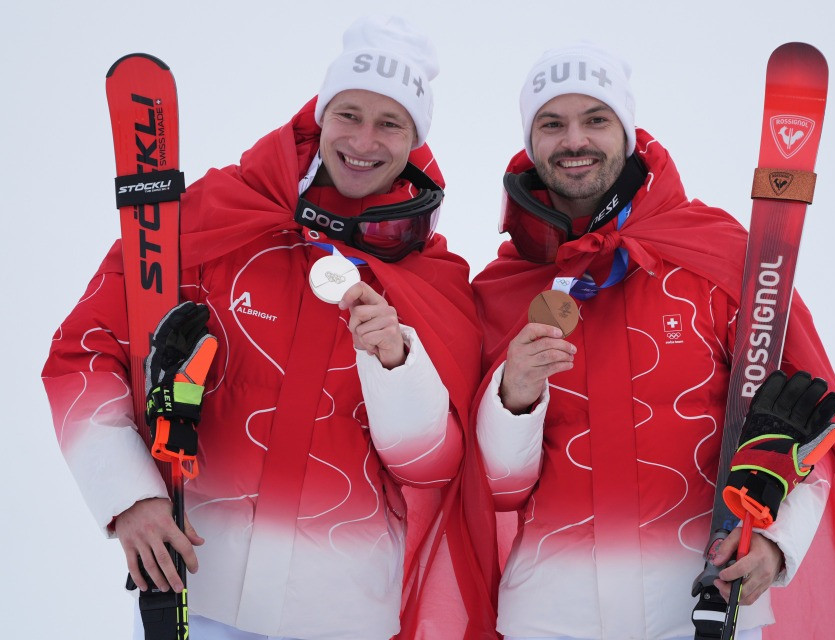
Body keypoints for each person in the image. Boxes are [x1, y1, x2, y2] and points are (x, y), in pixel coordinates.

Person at [42, 16, 495, 640]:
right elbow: (83, 355)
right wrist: (129, 495)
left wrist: (396, 364)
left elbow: (437, 470)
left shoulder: (433, 280)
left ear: (415, 139)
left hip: (344, 617)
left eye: (391, 123)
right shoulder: (221, 217)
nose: (364, 139)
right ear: (320, 115)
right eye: (349, 114)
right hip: (197, 597)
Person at [470, 42, 835, 639]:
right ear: (530, 140)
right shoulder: (503, 289)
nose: (575, 140)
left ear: (627, 131)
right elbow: (494, 489)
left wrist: (775, 545)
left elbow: (810, 429)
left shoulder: (717, 257)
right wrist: (513, 396)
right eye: (551, 123)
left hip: (705, 606)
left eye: (596, 119)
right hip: (550, 617)